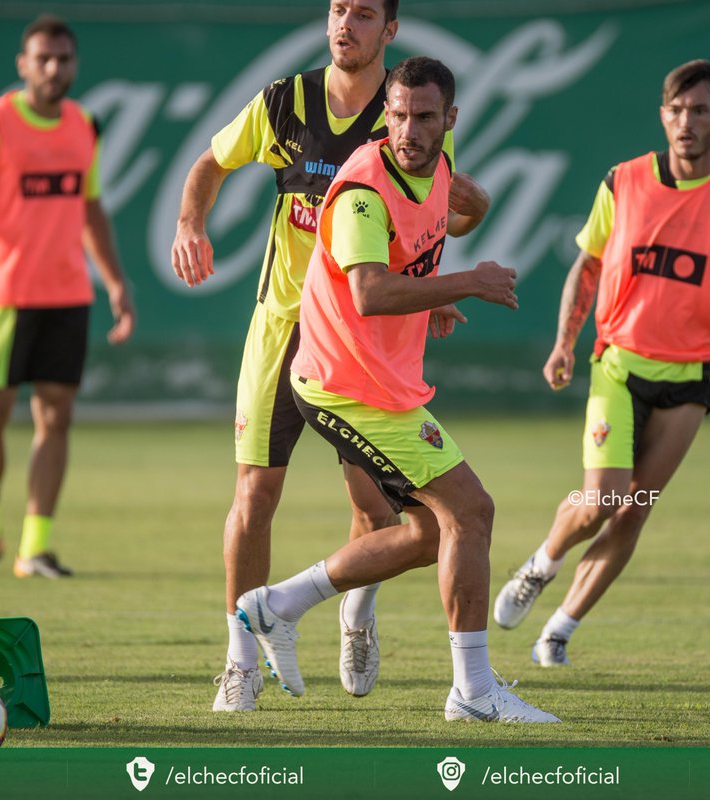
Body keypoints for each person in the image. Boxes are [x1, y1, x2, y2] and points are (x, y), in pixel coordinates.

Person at [169, 0, 488, 712]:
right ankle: (240, 661)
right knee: (255, 494)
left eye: (365, 13)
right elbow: (209, 163)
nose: (347, 23)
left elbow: (432, 211)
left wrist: (430, 288)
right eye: (338, 9)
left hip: (360, 342)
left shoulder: (408, 109)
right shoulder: (286, 101)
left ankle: (356, 614)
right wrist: (191, 222)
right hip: (284, 324)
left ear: (390, 30)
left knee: (375, 509)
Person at [234, 57, 557, 723]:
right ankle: (472, 692)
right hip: (339, 384)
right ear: (386, 115)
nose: (409, 128)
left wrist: (431, 292)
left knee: (434, 533)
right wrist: (466, 282)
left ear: (451, 121)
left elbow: (426, 239)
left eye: (425, 116)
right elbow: (371, 290)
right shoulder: (362, 190)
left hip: (379, 384)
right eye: (400, 115)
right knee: (472, 511)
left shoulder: (435, 169)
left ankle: (279, 604)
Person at [490, 61, 710, 667]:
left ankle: (559, 628)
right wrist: (564, 344)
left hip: (691, 378)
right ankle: (541, 564)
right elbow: (586, 267)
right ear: (662, 115)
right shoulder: (624, 180)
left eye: (700, 110)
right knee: (602, 501)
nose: (687, 122)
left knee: (633, 511)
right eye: (676, 110)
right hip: (620, 366)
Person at [0, 15, 135, 580]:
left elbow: (90, 209)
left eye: (64, 59)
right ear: (23, 65)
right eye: (43, 58)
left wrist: (115, 281)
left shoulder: (84, 125)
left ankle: (35, 547)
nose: (54, 68)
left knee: (56, 417)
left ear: (75, 64)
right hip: (4, 294)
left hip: (67, 293)